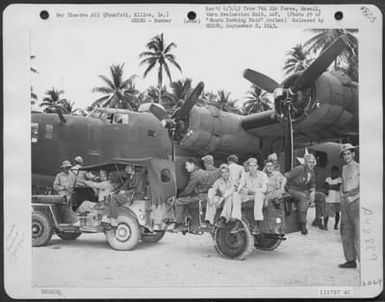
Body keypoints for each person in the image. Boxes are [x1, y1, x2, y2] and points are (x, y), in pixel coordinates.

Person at [173, 158, 210, 231]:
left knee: (178, 202)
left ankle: (180, 223)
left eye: (187, 165)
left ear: (192, 164)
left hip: (200, 196)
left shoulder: (196, 174)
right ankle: (187, 218)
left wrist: (178, 195)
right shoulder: (201, 171)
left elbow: (188, 190)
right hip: (203, 195)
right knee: (185, 200)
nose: (185, 167)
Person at [338, 143, 359, 269]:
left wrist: (354, 197)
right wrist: (341, 194)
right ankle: (350, 260)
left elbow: (364, 187)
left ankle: (366, 263)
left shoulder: (359, 167)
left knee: (358, 232)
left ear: (353, 154)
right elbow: (343, 182)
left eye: (348, 153)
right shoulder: (344, 168)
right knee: (345, 230)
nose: (346, 156)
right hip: (345, 199)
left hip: (356, 199)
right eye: (344, 154)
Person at [205, 164, 243, 233]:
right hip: (223, 199)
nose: (225, 174)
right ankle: (209, 221)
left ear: (229, 172)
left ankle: (223, 218)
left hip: (231, 198)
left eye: (226, 172)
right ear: (221, 174)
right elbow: (212, 189)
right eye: (222, 172)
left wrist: (222, 199)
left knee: (230, 198)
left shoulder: (234, 180)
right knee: (212, 199)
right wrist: (210, 197)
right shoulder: (219, 181)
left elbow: (232, 190)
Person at [285, 153, 317, 235]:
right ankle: (303, 224)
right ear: (305, 162)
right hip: (291, 189)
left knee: (321, 197)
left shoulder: (312, 172)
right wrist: (282, 189)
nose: (311, 164)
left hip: (302, 190)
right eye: (309, 162)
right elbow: (286, 176)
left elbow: (312, 184)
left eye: (313, 162)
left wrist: (312, 192)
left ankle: (319, 219)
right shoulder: (299, 169)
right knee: (303, 197)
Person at [238, 158, 268, 234]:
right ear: (248, 167)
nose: (252, 168)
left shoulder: (263, 175)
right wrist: (241, 190)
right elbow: (240, 186)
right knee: (236, 196)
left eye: (254, 166)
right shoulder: (245, 175)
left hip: (259, 196)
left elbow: (264, 189)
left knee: (258, 196)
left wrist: (252, 190)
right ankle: (238, 222)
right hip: (248, 196)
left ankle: (257, 223)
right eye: (250, 166)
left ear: (257, 166)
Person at [324, 166, 342, 230]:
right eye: (333, 172)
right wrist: (333, 186)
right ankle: (325, 225)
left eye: (336, 172)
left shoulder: (339, 179)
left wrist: (329, 186)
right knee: (326, 213)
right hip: (328, 199)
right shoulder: (327, 179)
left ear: (338, 172)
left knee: (337, 213)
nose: (335, 173)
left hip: (337, 200)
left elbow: (337, 188)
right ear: (331, 172)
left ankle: (336, 225)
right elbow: (325, 187)